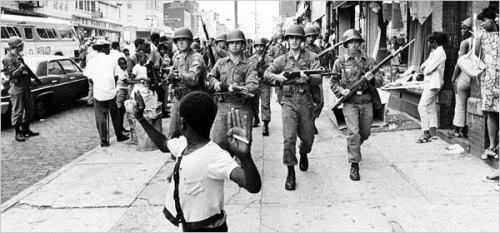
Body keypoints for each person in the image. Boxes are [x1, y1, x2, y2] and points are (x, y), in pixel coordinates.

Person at [132, 91, 261, 232]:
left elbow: (253, 186)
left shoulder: (215, 156)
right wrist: (140, 118)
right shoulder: (182, 145)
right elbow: (163, 144)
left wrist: (244, 157)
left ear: (182, 123)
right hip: (190, 226)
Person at [264, 25, 322, 190]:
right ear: (287, 40)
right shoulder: (282, 60)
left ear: (302, 40)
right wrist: (279, 77)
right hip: (288, 101)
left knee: (308, 138)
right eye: (291, 38)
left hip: (305, 100)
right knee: (289, 138)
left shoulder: (312, 57)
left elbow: (319, 77)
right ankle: (290, 171)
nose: (294, 41)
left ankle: (303, 152)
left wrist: (309, 78)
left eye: (297, 38)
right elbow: (266, 74)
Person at [329, 29, 384, 181]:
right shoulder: (339, 62)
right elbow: (333, 82)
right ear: (346, 45)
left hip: (366, 100)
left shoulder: (369, 61)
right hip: (350, 103)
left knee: (364, 133)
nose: (353, 45)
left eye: (356, 42)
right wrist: (342, 90)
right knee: (353, 132)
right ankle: (354, 164)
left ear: (360, 43)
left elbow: (380, 78)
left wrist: (372, 79)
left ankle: (355, 147)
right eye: (350, 42)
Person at [207, 29, 259, 154]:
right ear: (227, 45)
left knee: (243, 144)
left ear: (243, 45)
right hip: (223, 106)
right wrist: (217, 84)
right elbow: (210, 77)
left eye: (238, 42)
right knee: (218, 141)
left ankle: (241, 169)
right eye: (231, 43)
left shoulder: (250, 64)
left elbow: (253, 84)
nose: (234, 45)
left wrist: (242, 88)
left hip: (242, 106)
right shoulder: (220, 63)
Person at [83, 39, 129, 147]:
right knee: (115, 115)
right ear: (103, 48)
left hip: (98, 92)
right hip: (111, 92)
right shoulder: (111, 60)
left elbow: (89, 78)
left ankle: (104, 140)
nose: (109, 49)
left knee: (100, 117)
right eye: (107, 47)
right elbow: (117, 75)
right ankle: (119, 135)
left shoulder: (92, 61)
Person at [167, 27, 207, 139]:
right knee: (173, 133)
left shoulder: (196, 58)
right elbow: (174, 78)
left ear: (190, 41)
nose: (180, 42)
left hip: (192, 99)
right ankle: (176, 156)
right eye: (178, 40)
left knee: (192, 134)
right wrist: (170, 78)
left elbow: (194, 78)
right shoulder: (178, 57)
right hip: (178, 98)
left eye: (184, 39)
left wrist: (178, 75)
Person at [1, 36, 39, 142]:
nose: (23, 46)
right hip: (17, 87)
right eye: (21, 44)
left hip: (25, 86)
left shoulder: (17, 56)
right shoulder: (7, 58)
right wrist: (20, 69)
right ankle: (18, 133)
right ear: (17, 46)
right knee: (18, 111)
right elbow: (10, 75)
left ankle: (25, 129)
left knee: (30, 109)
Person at [474, 7, 499, 159]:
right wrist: (477, 38)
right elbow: (476, 54)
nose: (482, 24)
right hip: (488, 78)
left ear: (494, 19)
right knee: (491, 111)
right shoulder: (482, 35)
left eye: (484, 21)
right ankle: (491, 146)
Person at [416, 32, 448, 143]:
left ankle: (425, 133)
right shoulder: (435, 52)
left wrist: (423, 69)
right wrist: (424, 67)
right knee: (431, 106)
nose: (428, 44)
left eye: (429, 42)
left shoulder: (440, 52)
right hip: (430, 82)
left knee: (422, 106)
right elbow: (425, 65)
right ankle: (433, 131)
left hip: (434, 83)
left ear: (434, 42)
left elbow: (428, 68)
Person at [448, 18, 473, 138]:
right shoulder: (479, 41)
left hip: (464, 76)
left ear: (470, 29)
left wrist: (453, 78)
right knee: (470, 104)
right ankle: (466, 129)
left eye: (464, 29)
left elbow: (459, 63)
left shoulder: (465, 43)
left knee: (460, 104)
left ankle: (457, 129)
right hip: (475, 77)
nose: (462, 31)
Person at [249, 37, 274, 136]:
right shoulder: (250, 59)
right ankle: (256, 118)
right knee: (253, 103)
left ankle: (265, 124)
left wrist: (264, 65)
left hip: (264, 83)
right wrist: (257, 63)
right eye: (257, 46)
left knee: (265, 104)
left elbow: (273, 70)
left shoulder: (270, 59)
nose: (259, 48)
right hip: (255, 83)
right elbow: (249, 70)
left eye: (262, 46)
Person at [304, 26, 325, 135]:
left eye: (312, 36)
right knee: (307, 103)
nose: (311, 38)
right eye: (308, 36)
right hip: (305, 79)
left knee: (320, 102)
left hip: (316, 78)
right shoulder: (302, 49)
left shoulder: (318, 49)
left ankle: (312, 120)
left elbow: (323, 64)